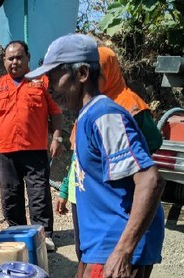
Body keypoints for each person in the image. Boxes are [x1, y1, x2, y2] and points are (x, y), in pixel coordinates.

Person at [26, 34, 165, 278]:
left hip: (112, 248)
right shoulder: (88, 118)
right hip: (98, 250)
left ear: (82, 73)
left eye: (54, 76)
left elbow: (150, 178)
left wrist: (122, 251)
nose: (48, 86)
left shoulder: (105, 114)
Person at [56, 45, 164, 261]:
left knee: (103, 266)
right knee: (84, 251)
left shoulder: (125, 105)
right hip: (84, 192)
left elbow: (152, 143)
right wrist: (65, 191)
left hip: (113, 199)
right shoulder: (88, 108)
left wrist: (123, 157)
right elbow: (78, 157)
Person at [0, 40, 63, 251]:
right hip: (6, 152)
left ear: (27, 59)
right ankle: (17, 235)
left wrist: (57, 138)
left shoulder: (41, 82)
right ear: (4, 61)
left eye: (19, 57)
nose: (14, 62)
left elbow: (56, 112)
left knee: (39, 194)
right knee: (10, 195)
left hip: (35, 151)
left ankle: (43, 236)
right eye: (10, 58)